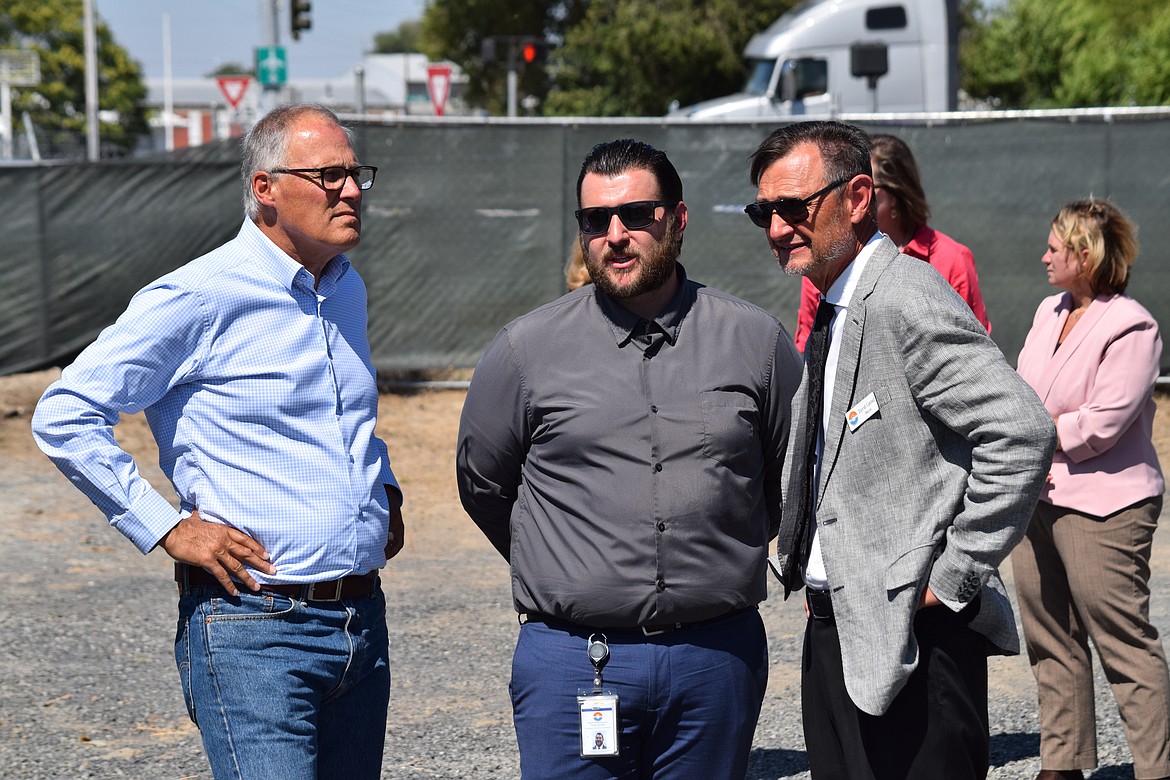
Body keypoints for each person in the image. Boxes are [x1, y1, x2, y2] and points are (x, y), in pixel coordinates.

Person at [31, 103, 403, 779]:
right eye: (329, 176)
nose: (351, 191)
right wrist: (169, 528)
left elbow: (346, 418)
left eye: (355, 174)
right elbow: (65, 414)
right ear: (265, 189)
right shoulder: (198, 296)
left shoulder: (344, 289)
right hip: (253, 631)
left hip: (360, 622)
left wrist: (385, 491)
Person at [456, 138, 802, 779]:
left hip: (715, 658)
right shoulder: (525, 351)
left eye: (637, 215)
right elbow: (482, 483)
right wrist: (571, 562)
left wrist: (719, 548)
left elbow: (791, 476)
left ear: (677, 218)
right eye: (596, 220)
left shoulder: (755, 342)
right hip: (573, 662)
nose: (615, 235)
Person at [746, 120, 1055, 779]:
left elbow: (1022, 432)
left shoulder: (905, 297)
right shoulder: (837, 303)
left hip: (915, 643)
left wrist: (953, 575)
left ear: (858, 198)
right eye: (764, 212)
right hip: (841, 630)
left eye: (794, 208)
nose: (777, 229)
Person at [1013, 199, 1170, 780]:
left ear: (1086, 254)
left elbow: (1103, 424)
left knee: (1123, 641)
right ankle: (1062, 765)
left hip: (1106, 505)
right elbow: (1023, 389)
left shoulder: (1133, 324)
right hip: (1037, 494)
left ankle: (1156, 768)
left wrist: (1029, 433)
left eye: (1055, 246)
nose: (1045, 255)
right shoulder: (1048, 310)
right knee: (1049, 636)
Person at [791, 132, 990, 351]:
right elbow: (809, 349)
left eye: (867, 188)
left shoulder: (951, 259)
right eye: (848, 189)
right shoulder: (827, 259)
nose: (855, 198)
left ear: (896, 192)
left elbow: (975, 349)